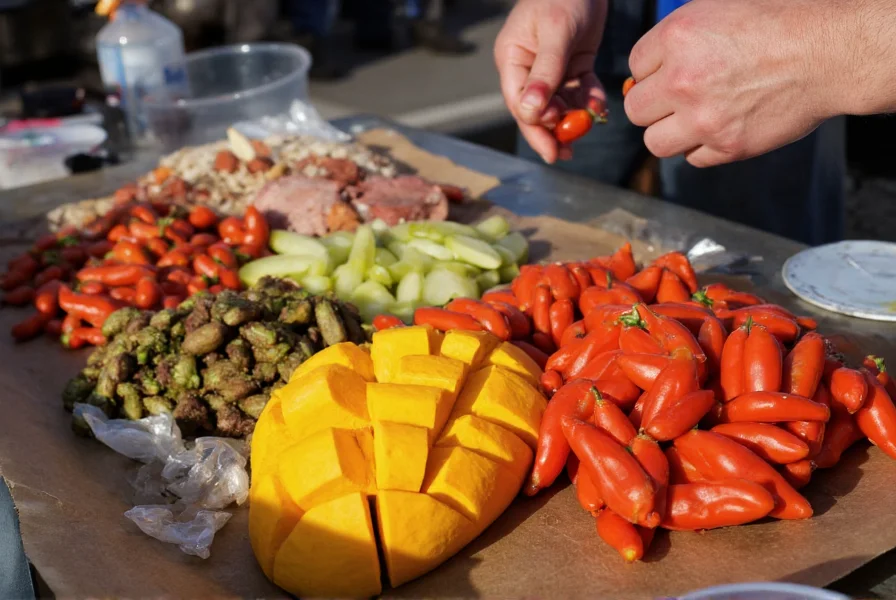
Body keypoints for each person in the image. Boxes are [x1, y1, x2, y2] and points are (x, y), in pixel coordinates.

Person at [493, 0, 893, 246]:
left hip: (771, 29)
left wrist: (819, 49)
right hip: (609, 27)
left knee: (755, 273)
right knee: (554, 230)